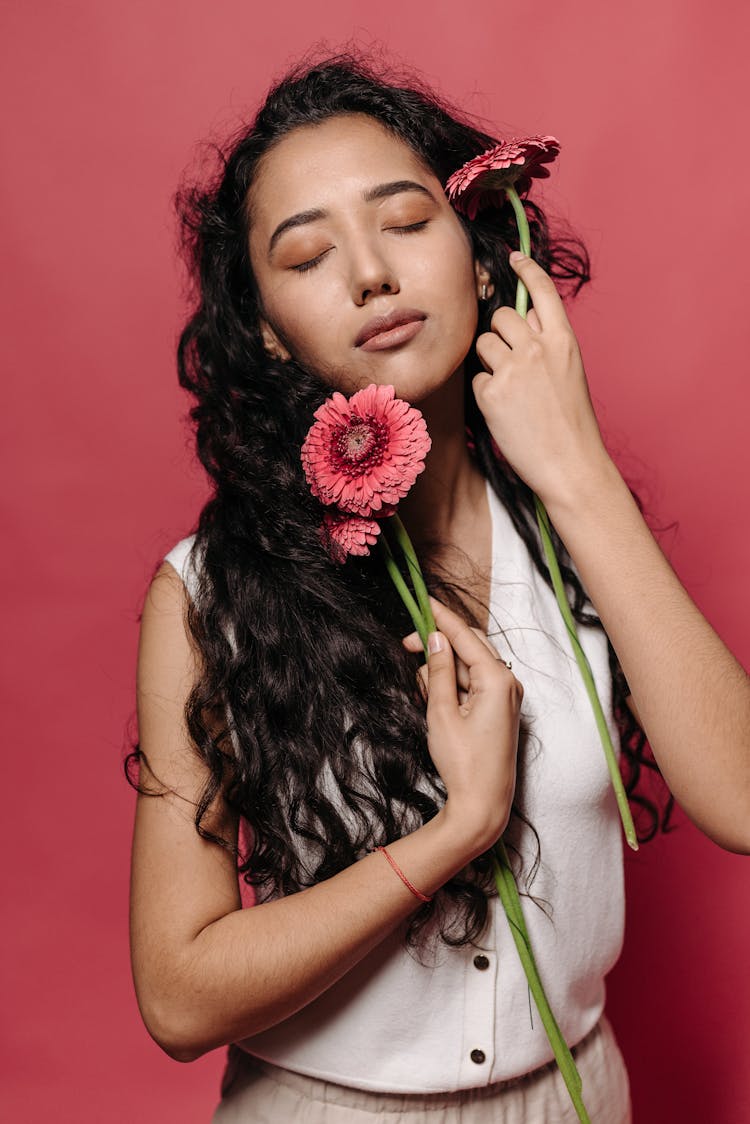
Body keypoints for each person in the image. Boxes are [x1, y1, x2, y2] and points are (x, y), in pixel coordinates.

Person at [127, 53, 750, 1123]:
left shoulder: (577, 527)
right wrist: (455, 831)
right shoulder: (210, 592)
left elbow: (740, 798)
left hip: (580, 1094)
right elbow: (179, 996)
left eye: (408, 222)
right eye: (311, 252)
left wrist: (577, 467)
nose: (371, 272)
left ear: (479, 253)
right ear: (270, 329)